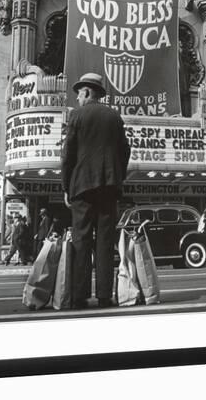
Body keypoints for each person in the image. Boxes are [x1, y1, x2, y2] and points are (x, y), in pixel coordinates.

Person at [61, 72, 130, 309]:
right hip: (109, 187)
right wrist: (117, 177)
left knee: (81, 241)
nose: (77, 98)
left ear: (87, 92)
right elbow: (125, 152)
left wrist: (66, 187)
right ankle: (103, 295)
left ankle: (79, 295)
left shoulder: (76, 115)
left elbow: (67, 155)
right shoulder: (114, 116)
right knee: (104, 241)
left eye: (79, 94)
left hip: (81, 187)